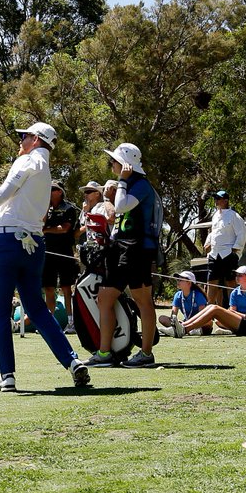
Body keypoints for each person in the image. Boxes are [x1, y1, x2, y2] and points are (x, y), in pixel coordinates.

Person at [0, 121, 90, 391]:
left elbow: (4, 193)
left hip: (7, 243)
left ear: (36, 139)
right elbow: (5, 208)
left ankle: (7, 375)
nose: (20, 141)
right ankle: (72, 362)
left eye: (24, 136)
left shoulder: (26, 161)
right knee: (36, 308)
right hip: (33, 245)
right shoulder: (44, 171)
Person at [86, 142, 162, 369]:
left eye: (115, 161)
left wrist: (121, 182)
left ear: (126, 164)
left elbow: (121, 207)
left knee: (143, 300)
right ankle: (104, 352)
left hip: (138, 247)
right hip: (120, 247)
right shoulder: (127, 184)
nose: (112, 164)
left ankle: (146, 354)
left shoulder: (140, 185)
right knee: (105, 298)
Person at [180, 268, 246, 336]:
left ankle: (185, 329)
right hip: (245, 323)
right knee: (211, 307)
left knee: (215, 309)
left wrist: (235, 313)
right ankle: (183, 325)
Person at [42, 182, 81, 334]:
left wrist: (46, 230)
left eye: (53, 189)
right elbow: (40, 223)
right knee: (48, 287)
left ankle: (71, 322)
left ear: (60, 192)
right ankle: (50, 322)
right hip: (48, 252)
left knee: (66, 287)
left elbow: (65, 229)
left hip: (64, 252)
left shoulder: (69, 208)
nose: (50, 192)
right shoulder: (46, 207)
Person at [204, 190, 246, 308]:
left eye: (219, 198)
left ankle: (233, 309)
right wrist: (209, 243)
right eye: (215, 198)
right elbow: (214, 232)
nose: (216, 201)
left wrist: (235, 250)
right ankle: (208, 311)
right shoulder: (215, 215)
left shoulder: (234, 216)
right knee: (211, 283)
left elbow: (241, 234)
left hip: (228, 254)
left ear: (226, 200)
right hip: (214, 254)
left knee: (230, 283)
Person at [158, 270, 208, 338]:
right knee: (162, 318)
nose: (178, 282)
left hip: (199, 323)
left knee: (209, 322)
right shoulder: (178, 295)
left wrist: (190, 323)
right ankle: (182, 329)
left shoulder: (198, 295)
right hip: (186, 322)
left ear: (189, 283)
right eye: (177, 280)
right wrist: (176, 323)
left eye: (180, 280)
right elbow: (173, 315)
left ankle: (183, 329)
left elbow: (202, 315)